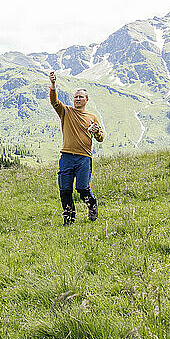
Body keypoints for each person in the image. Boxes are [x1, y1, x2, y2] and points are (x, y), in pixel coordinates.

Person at [49, 71, 104, 225]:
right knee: (65, 190)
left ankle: (92, 206)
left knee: (82, 188)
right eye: (75, 97)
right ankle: (69, 219)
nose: (77, 99)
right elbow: (54, 102)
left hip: (84, 157)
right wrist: (53, 85)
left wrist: (97, 131)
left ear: (86, 100)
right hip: (66, 157)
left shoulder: (91, 117)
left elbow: (101, 138)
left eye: (81, 97)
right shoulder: (66, 111)